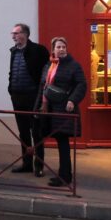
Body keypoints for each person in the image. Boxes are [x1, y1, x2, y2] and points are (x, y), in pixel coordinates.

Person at [36, 36, 86, 187]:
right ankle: (63, 174)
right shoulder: (48, 66)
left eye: (63, 47)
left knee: (63, 143)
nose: (61, 49)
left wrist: (72, 100)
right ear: (53, 50)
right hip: (49, 108)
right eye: (58, 47)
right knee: (57, 141)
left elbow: (81, 85)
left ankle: (65, 176)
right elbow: (43, 87)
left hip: (64, 108)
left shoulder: (73, 65)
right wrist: (38, 107)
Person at [8, 23, 50, 176]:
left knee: (36, 132)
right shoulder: (14, 52)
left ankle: (38, 165)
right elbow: (12, 72)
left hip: (34, 96)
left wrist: (42, 96)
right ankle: (26, 163)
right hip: (17, 96)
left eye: (16, 33)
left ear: (25, 34)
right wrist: (11, 88)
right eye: (12, 33)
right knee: (23, 132)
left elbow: (46, 73)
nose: (13, 36)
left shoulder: (39, 50)